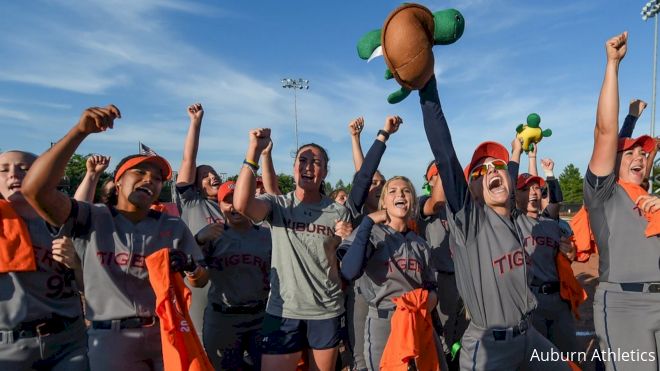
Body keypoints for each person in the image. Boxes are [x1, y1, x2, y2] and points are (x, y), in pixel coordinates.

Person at [21, 104, 209, 371]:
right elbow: (35, 190)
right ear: (118, 181)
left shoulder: (171, 224)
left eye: (157, 178)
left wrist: (190, 266)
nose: (150, 180)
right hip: (111, 335)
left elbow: (201, 280)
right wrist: (79, 131)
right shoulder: (91, 216)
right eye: (140, 172)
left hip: (165, 331)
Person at [418, 75, 572, 370]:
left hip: (529, 336)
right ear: (471, 190)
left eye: (497, 166)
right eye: (480, 172)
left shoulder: (514, 217)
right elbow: (445, 154)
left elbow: (509, 179)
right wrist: (428, 89)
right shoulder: (470, 222)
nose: (492, 171)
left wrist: (515, 154)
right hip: (489, 346)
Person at [233, 128, 352, 371]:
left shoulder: (338, 212)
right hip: (281, 310)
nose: (308, 166)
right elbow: (241, 204)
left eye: (316, 162)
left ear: (325, 172)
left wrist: (348, 238)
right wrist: (254, 152)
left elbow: (345, 259)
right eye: (303, 160)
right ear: (294, 168)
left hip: (325, 309)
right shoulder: (279, 205)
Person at [586, 32, 660, 371]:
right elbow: (605, 132)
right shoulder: (605, 194)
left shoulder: (653, 199)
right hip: (623, 304)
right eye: (628, 152)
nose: (639, 157)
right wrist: (612, 65)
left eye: (643, 154)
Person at [340, 176, 442, 371]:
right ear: (384, 202)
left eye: (406, 190)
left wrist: (430, 299)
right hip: (383, 322)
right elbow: (349, 270)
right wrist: (368, 222)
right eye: (392, 191)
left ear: (412, 202)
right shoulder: (373, 234)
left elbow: (431, 286)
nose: (400, 194)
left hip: (415, 321)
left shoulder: (420, 244)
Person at [0, 150, 88, 370]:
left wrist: (77, 264)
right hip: (9, 345)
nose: (13, 175)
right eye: (3, 170)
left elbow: (96, 290)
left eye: (25, 169)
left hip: (68, 341)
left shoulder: (68, 222)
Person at [343, 115, 400, 371]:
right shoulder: (356, 214)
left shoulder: (394, 217)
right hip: (361, 293)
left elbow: (367, 175)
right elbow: (363, 175)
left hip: (390, 295)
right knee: (360, 356)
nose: (376, 186)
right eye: (372, 183)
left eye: (381, 184)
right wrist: (357, 139)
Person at [197, 180, 271, 370]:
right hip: (224, 318)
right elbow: (196, 279)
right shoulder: (211, 235)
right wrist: (197, 241)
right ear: (219, 205)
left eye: (237, 199)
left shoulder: (267, 234)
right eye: (227, 201)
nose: (234, 206)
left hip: (261, 317)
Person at [512, 150, 579, 354]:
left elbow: (555, 201)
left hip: (559, 300)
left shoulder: (550, 222)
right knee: (537, 359)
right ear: (515, 195)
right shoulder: (513, 223)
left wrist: (549, 174)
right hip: (532, 300)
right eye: (526, 189)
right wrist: (523, 156)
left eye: (535, 188)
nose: (533, 192)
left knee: (569, 354)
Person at [175, 103, 224, 337]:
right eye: (204, 175)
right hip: (199, 282)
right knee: (201, 341)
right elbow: (188, 160)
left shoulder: (231, 208)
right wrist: (195, 123)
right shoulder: (191, 201)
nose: (212, 176)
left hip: (230, 283)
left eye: (213, 172)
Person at [418, 161, 468, 370]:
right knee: (445, 335)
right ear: (430, 180)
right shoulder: (425, 202)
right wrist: (442, 163)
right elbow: (437, 200)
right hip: (440, 277)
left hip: (463, 277)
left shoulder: (458, 206)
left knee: (464, 331)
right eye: (439, 174)